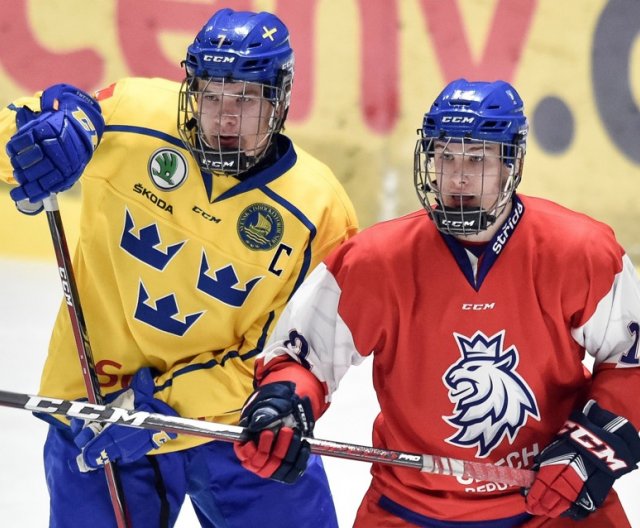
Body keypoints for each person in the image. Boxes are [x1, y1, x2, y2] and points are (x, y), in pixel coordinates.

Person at [0, 8, 358, 528]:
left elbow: (294, 350)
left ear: (280, 101)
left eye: (246, 100)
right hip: (100, 406)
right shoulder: (130, 114)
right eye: (211, 97)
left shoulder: (319, 210)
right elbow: (14, 134)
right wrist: (39, 135)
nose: (225, 117)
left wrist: (161, 404)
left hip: (233, 424)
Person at [233, 78, 640, 527]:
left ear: (512, 164)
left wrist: (591, 448)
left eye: (477, 159)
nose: (458, 176)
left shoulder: (580, 251)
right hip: (410, 508)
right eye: (445, 156)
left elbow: (632, 364)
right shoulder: (376, 260)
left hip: (550, 500)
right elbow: (302, 360)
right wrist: (283, 406)